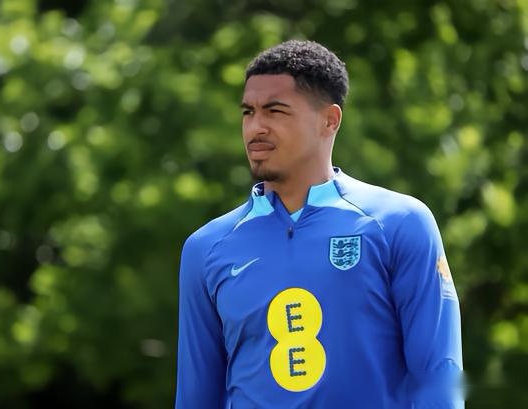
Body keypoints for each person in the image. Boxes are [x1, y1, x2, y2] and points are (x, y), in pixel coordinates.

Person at [175, 40, 463, 408]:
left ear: (330, 120)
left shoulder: (399, 224)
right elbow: (195, 396)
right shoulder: (206, 248)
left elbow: (439, 378)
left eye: (275, 111)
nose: (255, 128)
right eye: (248, 112)